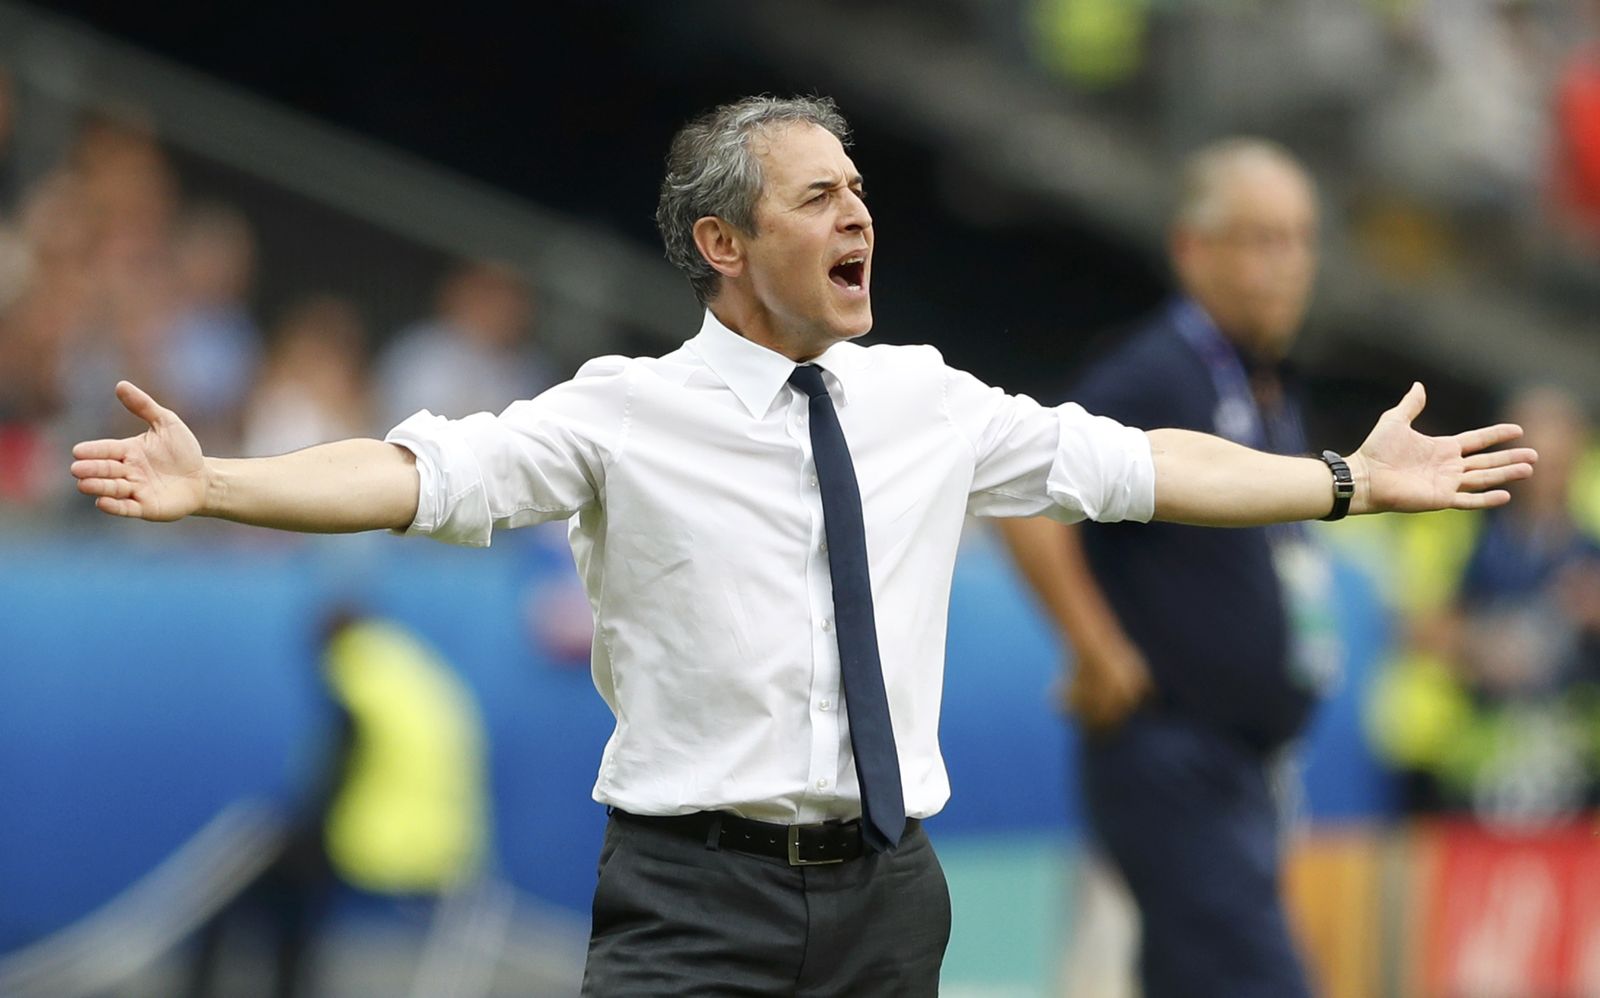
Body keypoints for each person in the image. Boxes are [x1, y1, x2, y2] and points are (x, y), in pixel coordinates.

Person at [69, 96, 1535, 996]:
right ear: (724, 244)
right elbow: (410, 473)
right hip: (689, 899)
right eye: (818, 195)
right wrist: (220, 481)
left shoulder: (926, 398)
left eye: (860, 191)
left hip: (889, 894)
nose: (859, 214)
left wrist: (1345, 478)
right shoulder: (623, 411)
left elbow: (1145, 466)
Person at [997, 138, 1336, 998]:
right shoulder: (1155, 372)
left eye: (1301, 239)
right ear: (1193, 248)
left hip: (1240, 768)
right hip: (1173, 754)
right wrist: (1095, 646)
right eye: (1263, 239)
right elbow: (1021, 498)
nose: (1289, 264)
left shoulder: (1264, 384)